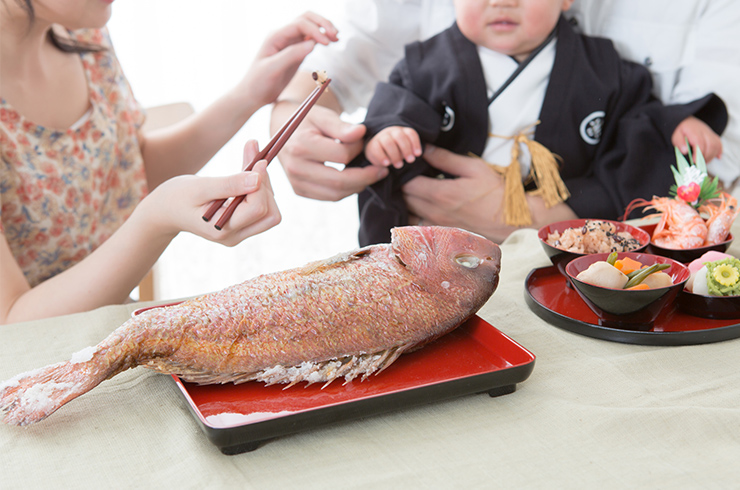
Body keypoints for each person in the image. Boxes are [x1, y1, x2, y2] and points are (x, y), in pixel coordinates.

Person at [270, 0, 740, 241]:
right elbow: (361, 79)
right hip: (432, 235)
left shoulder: (606, 67)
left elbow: (640, 129)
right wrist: (386, 136)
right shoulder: (426, 62)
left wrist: (680, 124)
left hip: (565, 243)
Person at [0, 1, 338, 324]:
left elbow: (123, 172)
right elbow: (12, 324)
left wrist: (248, 96)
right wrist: (155, 219)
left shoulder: (83, 34)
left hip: (104, 334)